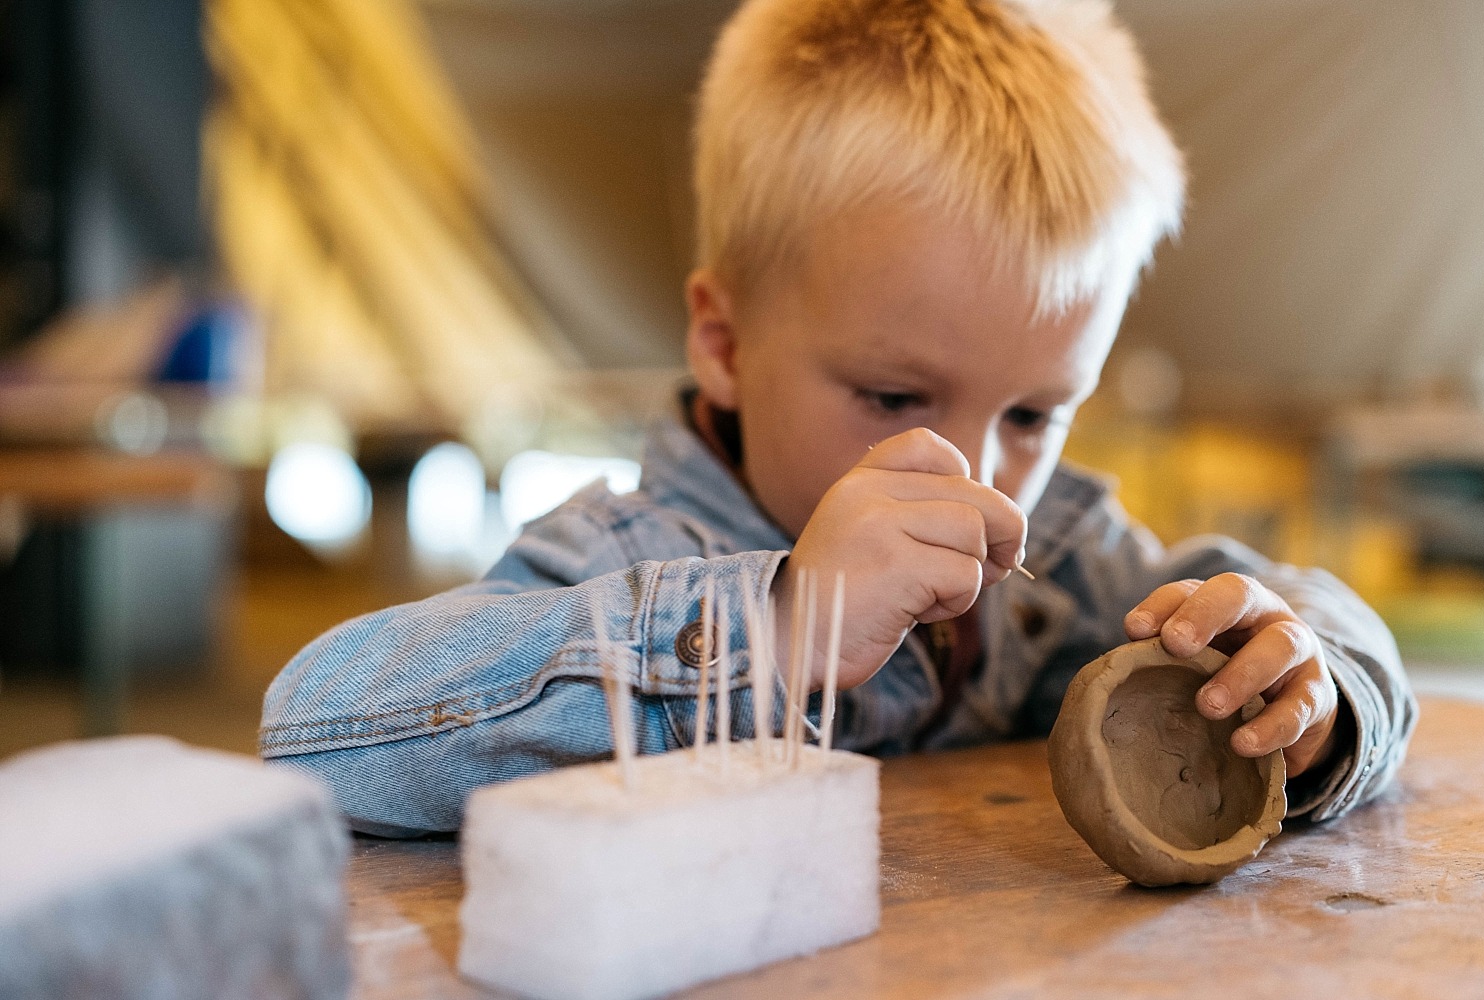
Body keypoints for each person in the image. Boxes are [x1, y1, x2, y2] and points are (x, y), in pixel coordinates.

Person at [260, 0, 1415, 837]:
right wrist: (778, 628)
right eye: (893, 397)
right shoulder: (633, 549)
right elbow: (316, 724)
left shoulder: (1053, 553)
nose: (972, 467)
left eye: (1033, 409)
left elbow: (1277, 605)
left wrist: (1302, 692)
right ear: (723, 342)